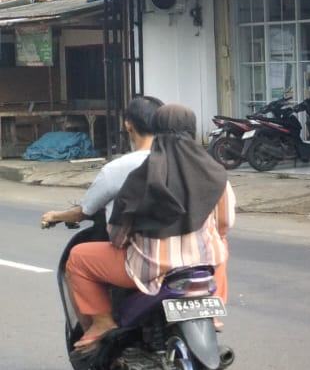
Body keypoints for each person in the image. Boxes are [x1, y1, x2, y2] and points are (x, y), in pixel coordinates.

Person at [61, 103, 235, 351]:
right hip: (204, 263)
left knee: (78, 258)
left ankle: (102, 322)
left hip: (150, 267)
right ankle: (212, 311)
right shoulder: (216, 175)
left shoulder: (142, 176)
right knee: (220, 244)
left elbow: (117, 235)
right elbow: (225, 223)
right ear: (193, 130)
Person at [41, 95, 165, 234]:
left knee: (80, 248)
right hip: (175, 241)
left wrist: (54, 215)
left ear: (128, 124)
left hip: (131, 242)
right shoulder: (178, 163)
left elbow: (83, 211)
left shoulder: (116, 168)